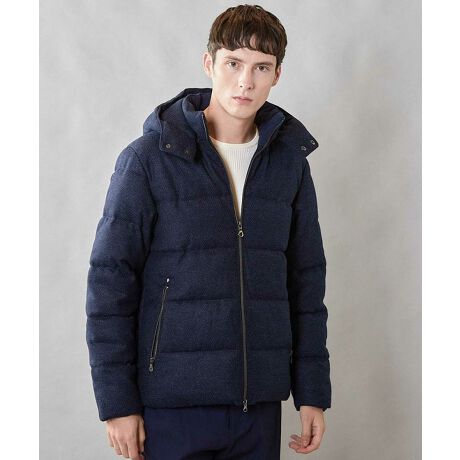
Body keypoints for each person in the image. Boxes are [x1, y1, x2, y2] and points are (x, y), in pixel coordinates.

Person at [85, 4, 331, 459]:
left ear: (277, 75)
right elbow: (110, 283)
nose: (245, 81)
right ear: (209, 63)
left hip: (257, 407)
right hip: (172, 406)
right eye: (233, 63)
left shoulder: (289, 166)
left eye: (261, 68)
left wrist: (312, 392)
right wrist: (117, 403)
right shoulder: (148, 161)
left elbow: (306, 283)